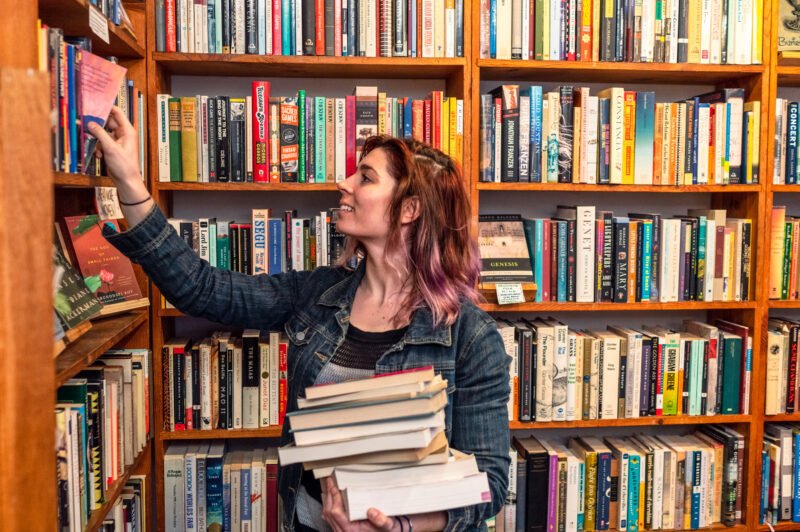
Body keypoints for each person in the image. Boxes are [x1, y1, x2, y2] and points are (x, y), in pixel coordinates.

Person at [91, 106, 510, 531]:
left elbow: (489, 483)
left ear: (410, 209)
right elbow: (202, 288)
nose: (343, 184)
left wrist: (397, 527)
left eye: (365, 177)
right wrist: (130, 180)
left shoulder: (470, 336)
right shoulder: (317, 293)